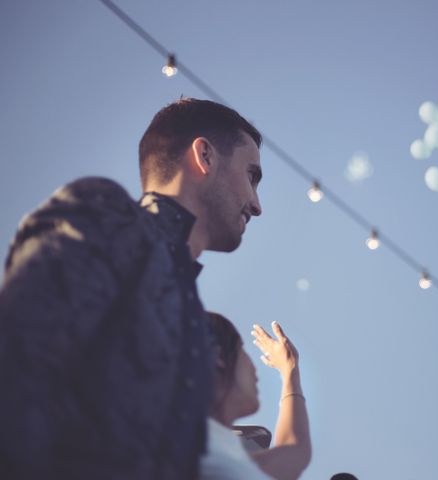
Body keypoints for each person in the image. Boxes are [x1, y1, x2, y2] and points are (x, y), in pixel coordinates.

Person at [0, 98, 263, 479]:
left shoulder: (189, 310)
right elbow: (20, 365)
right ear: (204, 155)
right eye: (252, 175)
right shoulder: (109, 216)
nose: (256, 205)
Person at [201, 313, 311, 480]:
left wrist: (290, 371)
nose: (254, 368)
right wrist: (289, 372)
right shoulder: (202, 454)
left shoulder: (212, 453)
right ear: (219, 358)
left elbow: (294, 451)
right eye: (242, 349)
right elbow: (293, 451)